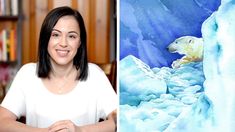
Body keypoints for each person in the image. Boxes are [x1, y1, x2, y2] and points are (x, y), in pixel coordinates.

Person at [0, 6, 117, 132]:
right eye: (55, 35)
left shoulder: (94, 75)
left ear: (80, 42)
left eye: (71, 36)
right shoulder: (27, 74)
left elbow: (119, 120)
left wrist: (79, 130)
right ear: (46, 39)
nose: (63, 43)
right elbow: (2, 121)